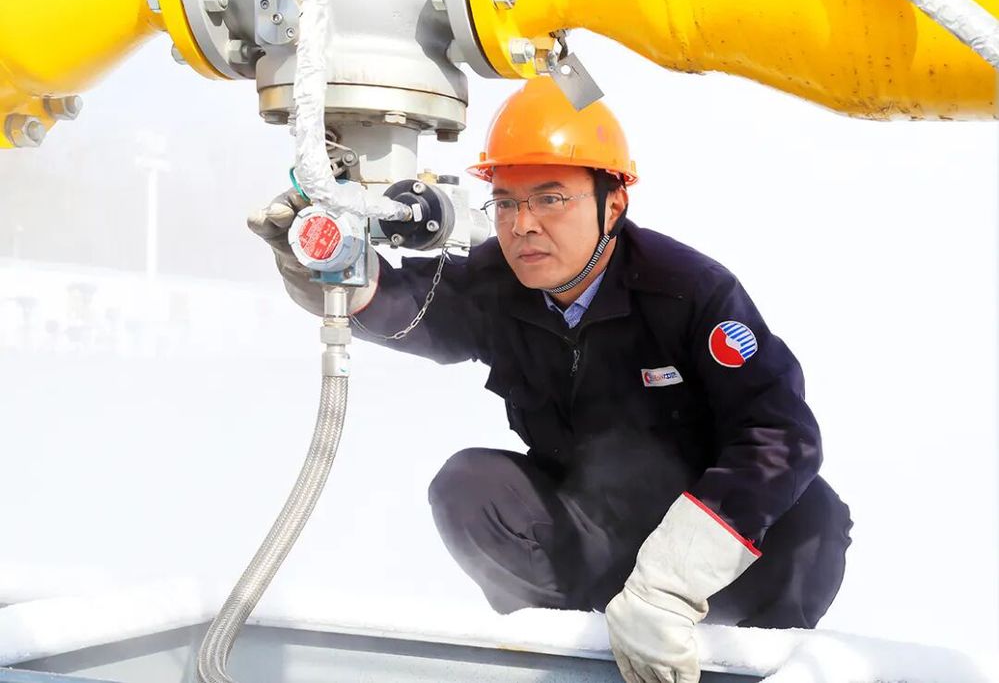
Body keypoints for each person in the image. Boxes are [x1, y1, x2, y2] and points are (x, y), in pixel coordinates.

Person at [249, 78, 853, 683]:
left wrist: (668, 588)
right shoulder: (498, 284)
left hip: (704, 559)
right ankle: (567, 660)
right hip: (592, 536)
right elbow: (409, 305)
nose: (523, 225)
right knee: (468, 486)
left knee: (812, 516)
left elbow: (780, 435)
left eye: (550, 199)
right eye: (506, 203)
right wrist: (324, 263)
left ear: (613, 204)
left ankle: (742, 668)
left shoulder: (688, 292)